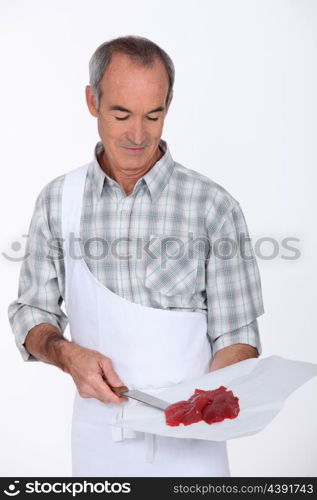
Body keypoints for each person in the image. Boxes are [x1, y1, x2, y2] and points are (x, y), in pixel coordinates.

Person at [8, 35, 265, 477]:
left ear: (169, 104)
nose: (137, 135)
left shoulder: (212, 206)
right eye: (121, 114)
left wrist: (214, 395)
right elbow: (32, 312)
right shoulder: (58, 201)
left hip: (193, 450)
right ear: (92, 101)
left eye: (154, 115)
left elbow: (237, 337)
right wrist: (66, 354)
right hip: (97, 448)